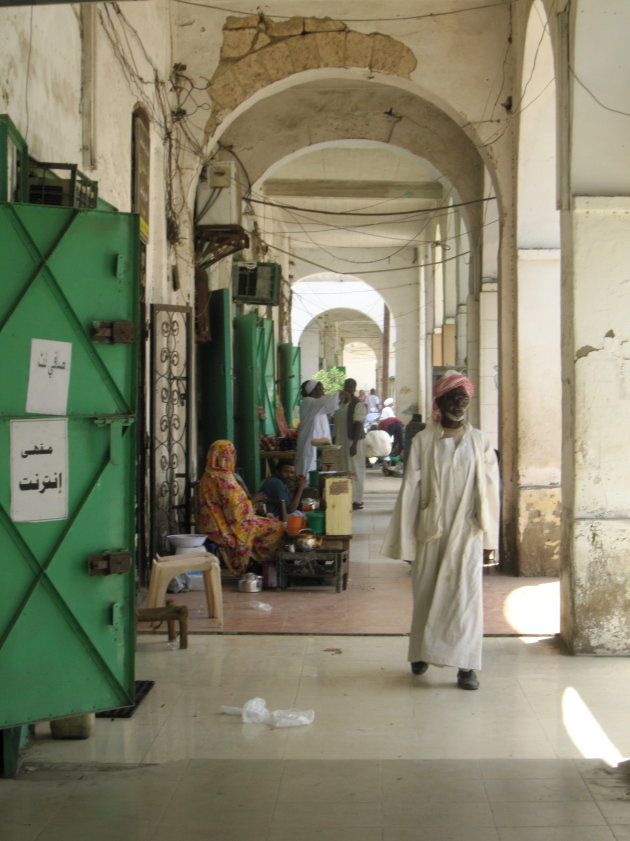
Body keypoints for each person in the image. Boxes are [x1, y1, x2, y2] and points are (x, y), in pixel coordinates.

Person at [381, 371, 500, 691]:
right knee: (426, 597)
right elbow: (410, 492)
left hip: (467, 533)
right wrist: (405, 543)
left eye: (464, 399)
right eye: (453, 398)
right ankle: (420, 652)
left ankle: (466, 666)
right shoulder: (423, 441)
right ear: (440, 402)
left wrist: (490, 540)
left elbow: (490, 492)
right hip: (430, 533)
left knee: (465, 601)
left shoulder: (480, 441)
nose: (459, 404)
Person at [197, 440, 285, 577]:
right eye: (232, 454)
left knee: (263, 522)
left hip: (210, 524)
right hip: (227, 527)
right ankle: (256, 562)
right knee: (277, 528)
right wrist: (253, 501)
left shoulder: (206, 476)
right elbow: (235, 511)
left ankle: (254, 560)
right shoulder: (224, 478)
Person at [333, 377, 367, 510]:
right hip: (342, 441)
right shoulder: (341, 403)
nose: (348, 389)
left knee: (355, 470)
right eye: (346, 387)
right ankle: (346, 497)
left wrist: (354, 445)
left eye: (350, 387)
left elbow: (359, 424)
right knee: (344, 469)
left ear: (354, 389)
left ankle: (357, 500)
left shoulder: (357, 404)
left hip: (354, 441)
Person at [295, 380, 339, 477]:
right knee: (306, 473)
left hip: (316, 446)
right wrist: (341, 395)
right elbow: (327, 403)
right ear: (313, 391)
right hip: (308, 445)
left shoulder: (315, 405)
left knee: (315, 474)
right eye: (321, 389)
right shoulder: (308, 402)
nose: (323, 392)